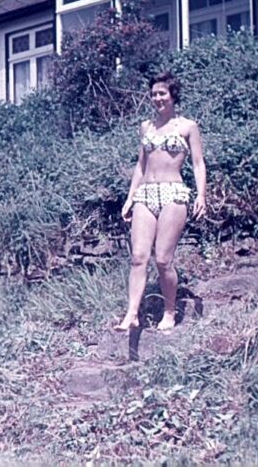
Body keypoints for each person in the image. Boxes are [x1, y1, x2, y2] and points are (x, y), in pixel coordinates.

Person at [114, 71, 207, 332]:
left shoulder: (188, 127)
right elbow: (141, 165)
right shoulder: (146, 127)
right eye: (153, 94)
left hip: (173, 194)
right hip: (146, 194)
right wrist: (130, 198)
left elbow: (198, 163)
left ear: (172, 95)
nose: (157, 98)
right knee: (138, 257)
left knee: (163, 260)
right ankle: (132, 313)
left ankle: (169, 309)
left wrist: (201, 195)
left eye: (162, 93)